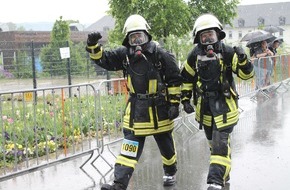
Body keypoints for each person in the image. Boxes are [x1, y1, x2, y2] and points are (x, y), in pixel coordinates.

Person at [85, 14, 182, 190]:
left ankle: (170, 172)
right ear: (128, 39)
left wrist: (174, 104)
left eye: (140, 36)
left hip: (159, 109)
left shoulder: (160, 54)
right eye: (133, 37)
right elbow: (103, 59)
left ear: (147, 36)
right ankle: (119, 184)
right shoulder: (124, 55)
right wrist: (93, 45)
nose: (137, 40)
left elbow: (174, 79)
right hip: (137, 110)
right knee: (129, 149)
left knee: (166, 147)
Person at [180, 14, 254, 190]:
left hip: (225, 107)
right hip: (205, 109)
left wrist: (243, 60)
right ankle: (223, 172)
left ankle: (215, 181)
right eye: (203, 36)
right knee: (214, 145)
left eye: (210, 35)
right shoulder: (194, 55)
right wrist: (185, 99)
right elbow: (187, 78)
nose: (207, 39)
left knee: (220, 144)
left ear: (218, 34)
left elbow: (247, 75)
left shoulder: (228, 52)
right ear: (198, 38)